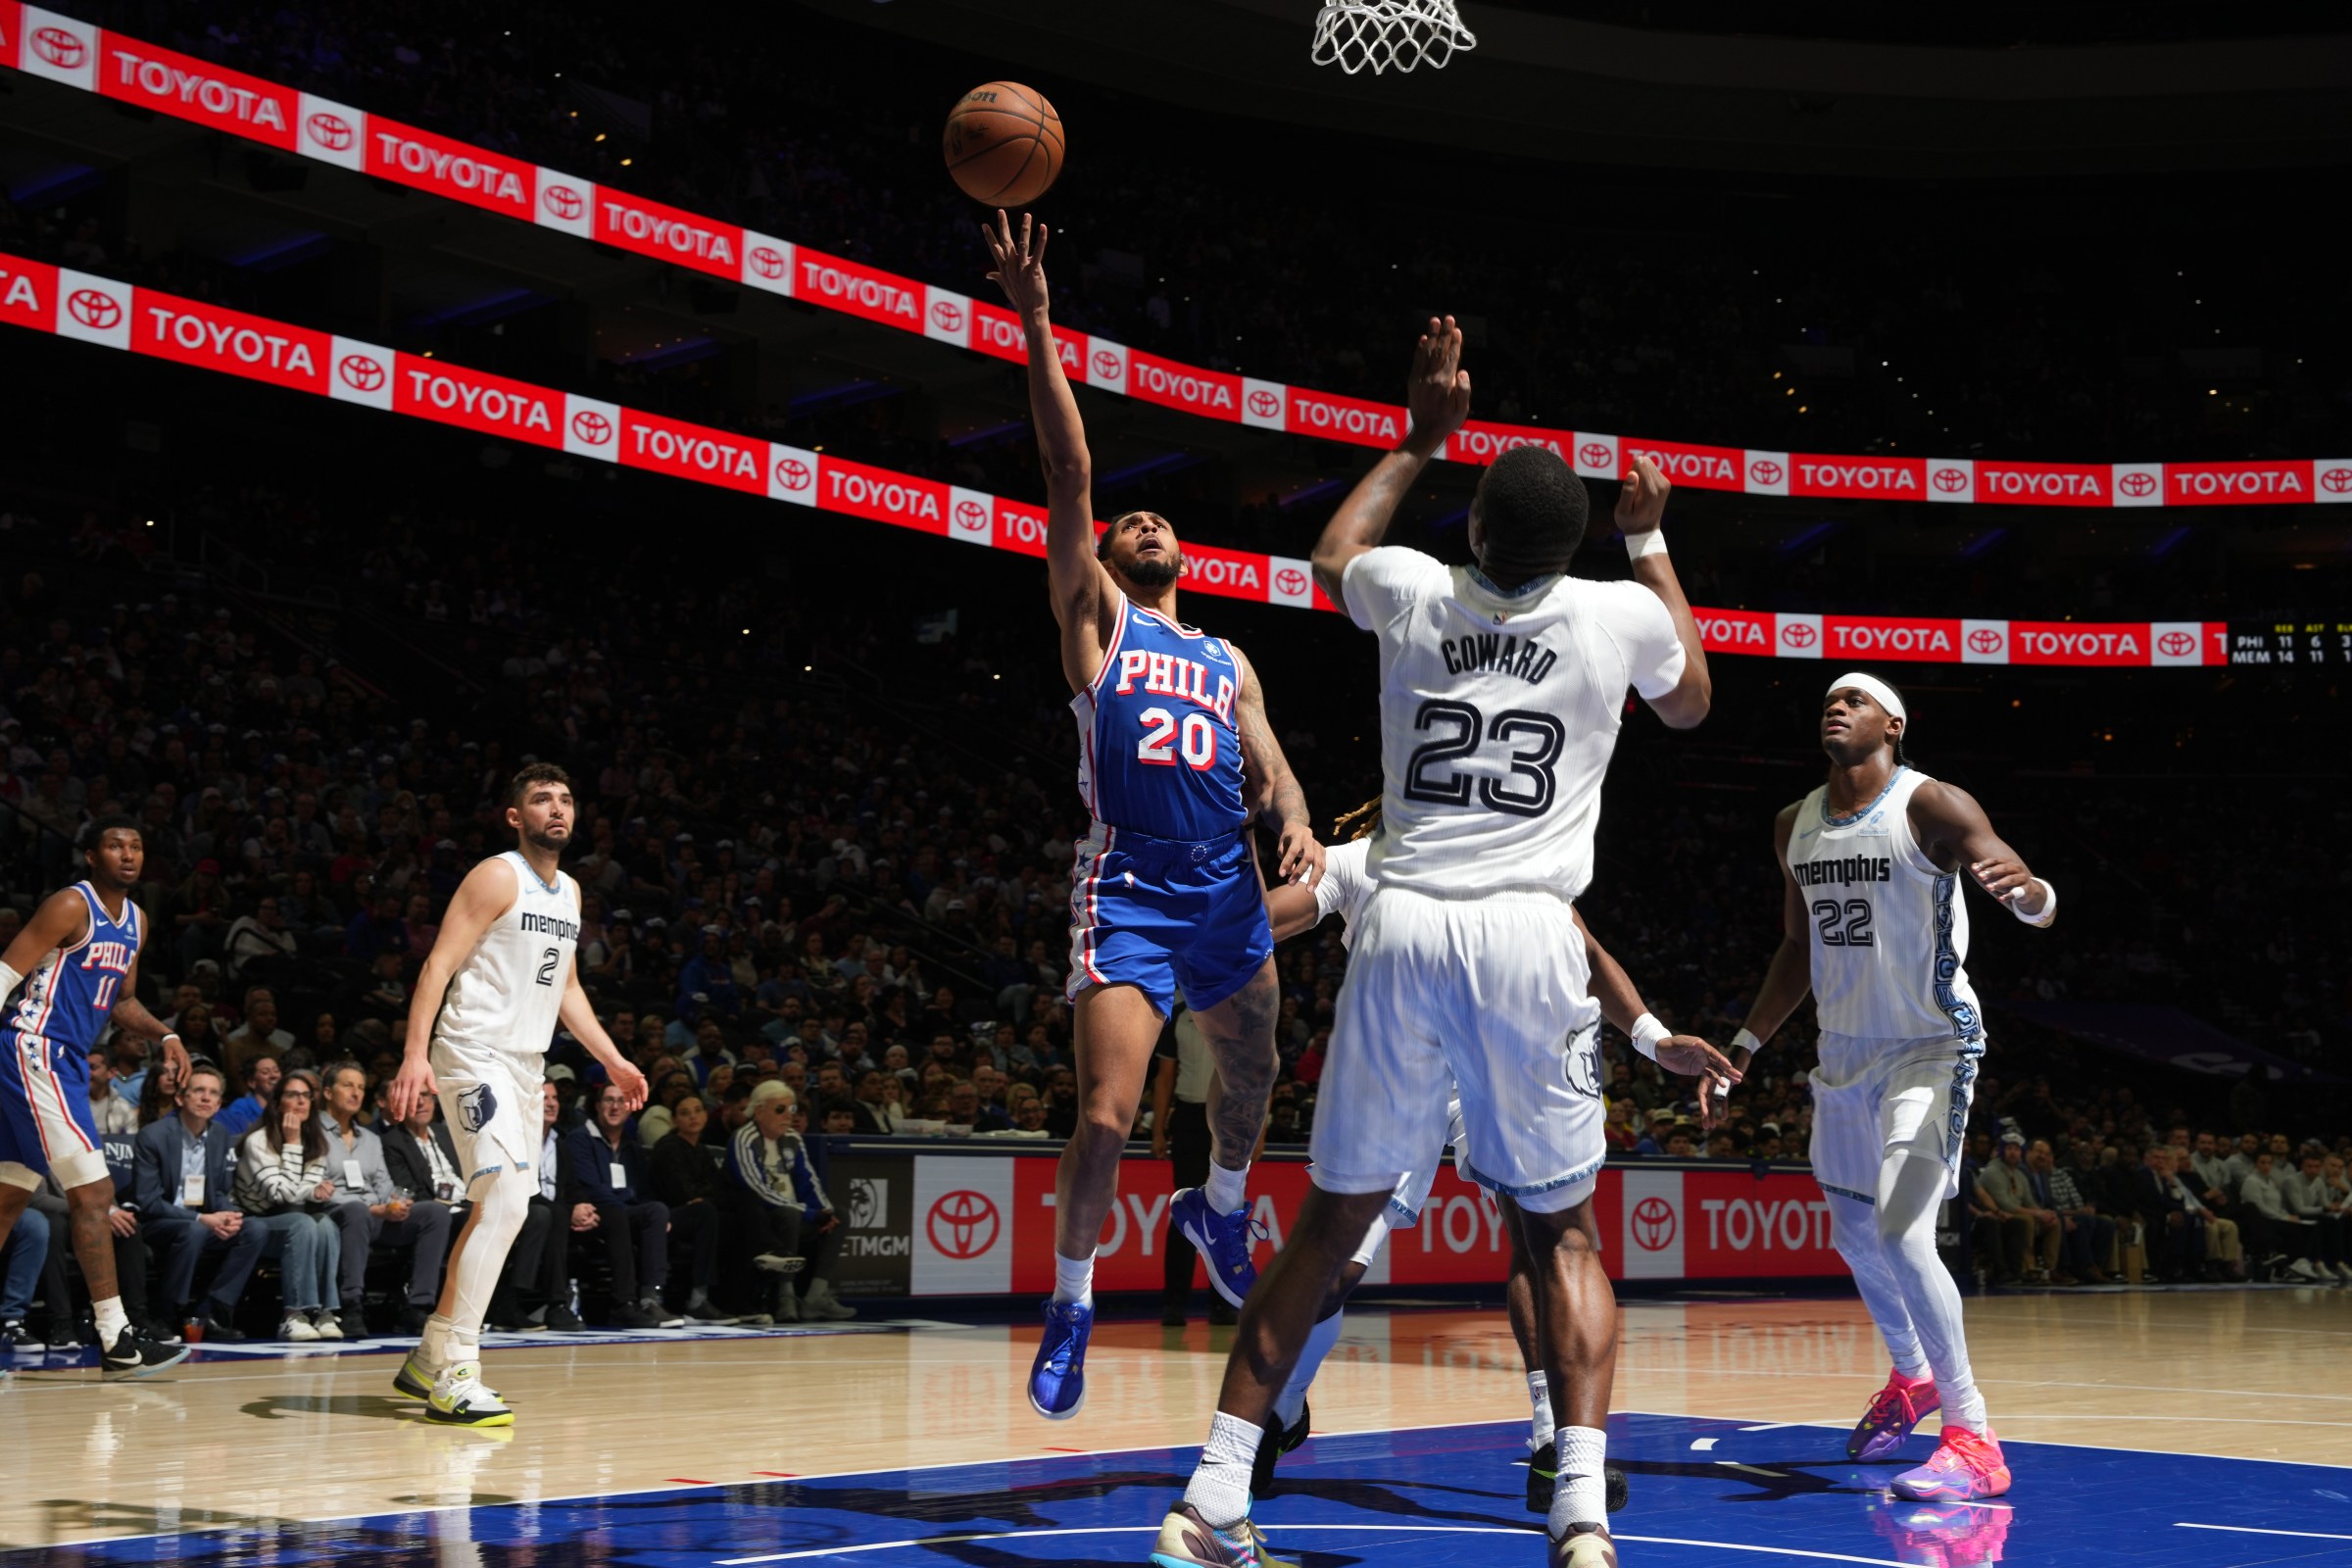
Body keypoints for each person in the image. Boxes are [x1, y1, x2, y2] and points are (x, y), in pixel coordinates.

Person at [1153, 316, 1717, 1568]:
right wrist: (1649, 539)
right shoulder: (1618, 615)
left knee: (1328, 1224)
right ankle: (1580, 1508)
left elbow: (1332, 549)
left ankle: (1214, 1494)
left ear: (1471, 532)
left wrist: (1419, 436)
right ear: (1575, 551)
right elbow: (1694, 699)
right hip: (1529, 931)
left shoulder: (1411, 588)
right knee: (1559, 1232)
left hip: (1403, 923)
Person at [982, 210, 1325, 1423]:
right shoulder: (1098, 623)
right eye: (1132, 523)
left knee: (1258, 1061)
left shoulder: (1228, 654)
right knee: (1107, 1116)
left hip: (1225, 881)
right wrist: (1035, 319)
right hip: (1127, 881)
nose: (1145, 521)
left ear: (1188, 552)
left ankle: (1221, 1208)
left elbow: (1271, 760)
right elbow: (1070, 475)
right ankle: (1073, 1298)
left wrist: (1291, 816)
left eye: (1159, 521)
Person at [1242, 820, 1710, 1514]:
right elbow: (1267, 919)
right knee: (1334, 1268)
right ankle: (1280, 1410)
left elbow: (1582, 946)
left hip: (1498, 1067)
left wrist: (1652, 1036)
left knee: (1540, 1241)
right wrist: (1219, 883)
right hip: (1400, 1069)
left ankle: (1555, 1443)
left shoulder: (1512, 852)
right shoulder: (1355, 861)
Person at [1727, 670, 2058, 1504]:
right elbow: (1798, 949)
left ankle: (1973, 1436)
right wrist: (1745, 1042)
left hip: (1928, 1046)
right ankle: (1911, 1377)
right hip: (1842, 1056)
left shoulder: (1931, 804)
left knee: (1907, 1233)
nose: (1836, 707)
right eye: (1829, 700)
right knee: (1852, 1232)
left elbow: (2029, 895)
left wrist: (2034, 896)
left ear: (1894, 723)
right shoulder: (1791, 824)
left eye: (1856, 699)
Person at [385, 763, 649, 1424]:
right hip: (472, 1051)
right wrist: (414, 1056)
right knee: (502, 1200)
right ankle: (458, 1372)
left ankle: (430, 1354)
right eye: (541, 799)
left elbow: (567, 990)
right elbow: (437, 964)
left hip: (526, 1067)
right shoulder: (497, 875)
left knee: (505, 1210)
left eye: (565, 798)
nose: (557, 809)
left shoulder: (571, 893)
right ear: (515, 815)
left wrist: (614, 1059)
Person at [0, 816, 193, 1375]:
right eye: (115, 845)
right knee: (95, 1191)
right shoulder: (69, 905)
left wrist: (168, 1034)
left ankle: (116, 1335)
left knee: (9, 1197)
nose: (127, 854)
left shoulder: (136, 920)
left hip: (64, 1061)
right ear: (91, 855)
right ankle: (117, 1336)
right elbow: (6, 974)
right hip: (33, 1047)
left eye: (136, 845)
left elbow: (121, 1001)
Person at [134, 1061, 268, 1342]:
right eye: (199, 1091)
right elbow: (148, 1202)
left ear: (219, 1104)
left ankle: (209, 1313)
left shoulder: (218, 1135)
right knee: (194, 1230)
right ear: (181, 1098)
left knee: (254, 1229)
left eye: (213, 1093)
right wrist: (201, 1219)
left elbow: (215, 1192)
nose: (206, 1098)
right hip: (159, 1223)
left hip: (203, 1220)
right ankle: (166, 1314)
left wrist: (230, 1214)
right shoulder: (154, 1136)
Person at [320, 1059, 451, 1338]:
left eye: (360, 1087)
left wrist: (395, 1203)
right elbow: (316, 1186)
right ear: (328, 1092)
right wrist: (374, 1209)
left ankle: (419, 1306)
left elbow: (384, 1184)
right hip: (335, 1216)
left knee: (434, 1213)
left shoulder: (370, 1139)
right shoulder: (312, 1134)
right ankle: (351, 1305)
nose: (356, 1093)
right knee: (356, 1210)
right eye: (347, 1086)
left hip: (377, 1215)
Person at [728, 1080, 856, 1322]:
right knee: (790, 1214)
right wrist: (809, 1213)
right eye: (780, 1110)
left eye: (792, 1109)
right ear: (759, 1111)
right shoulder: (744, 1138)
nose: (788, 1116)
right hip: (761, 1219)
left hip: (797, 1213)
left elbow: (809, 1181)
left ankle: (815, 1297)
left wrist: (825, 1211)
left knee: (841, 1214)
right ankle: (785, 1297)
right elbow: (756, 1189)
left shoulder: (793, 1139)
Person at [232, 1068, 344, 1341]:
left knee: (326, 1224)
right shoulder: (258, 1142)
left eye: (306, 1096)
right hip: (252, 1221)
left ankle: (324, 1313)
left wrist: (314, 1191)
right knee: (303, 1222)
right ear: (278, 1102)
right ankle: (293, 1315)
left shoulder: (315, 1141)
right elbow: (280, 1194)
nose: (302, 1102)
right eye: (293, 1095)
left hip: (290, 1218)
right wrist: (292, 1145)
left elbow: (302, 1191)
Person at [565, 1079, 685, 1329]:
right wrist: (626, 1210)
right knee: (619, 1215)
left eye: (621, 1101)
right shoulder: (580, 1139)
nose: (615, 1107)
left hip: (624, 1213)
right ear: (597, 1106)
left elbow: (644, 1192)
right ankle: (624, 1304)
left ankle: (650, 1299)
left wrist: (658, 1218)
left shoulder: (632, 1146)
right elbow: (591, 1187)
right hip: (595, 1214)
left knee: (658, 1211)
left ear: (630, 1108)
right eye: (609, 1100)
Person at [644, 1092, 737, 1322]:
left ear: (706, 1115)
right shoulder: (669, 1147)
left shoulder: (703, 1150)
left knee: (734, 1214)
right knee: (705, 1212)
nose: (693, 1117)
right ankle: (698, 1300)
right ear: (675, 1121)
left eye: (697, 1111)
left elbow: (723, 1192)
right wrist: (706, 1198)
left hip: (694, 1214)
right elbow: (683, 1195)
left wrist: (706, 1198)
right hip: (664, 1217)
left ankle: (736, 1297)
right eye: (685, 1113)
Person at [215, 1054, 280, 1140]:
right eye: (265, 1072)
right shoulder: (241, 1107)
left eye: (276, 1071)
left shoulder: (284, 1104)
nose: (273, 1076)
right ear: (252, 1082)